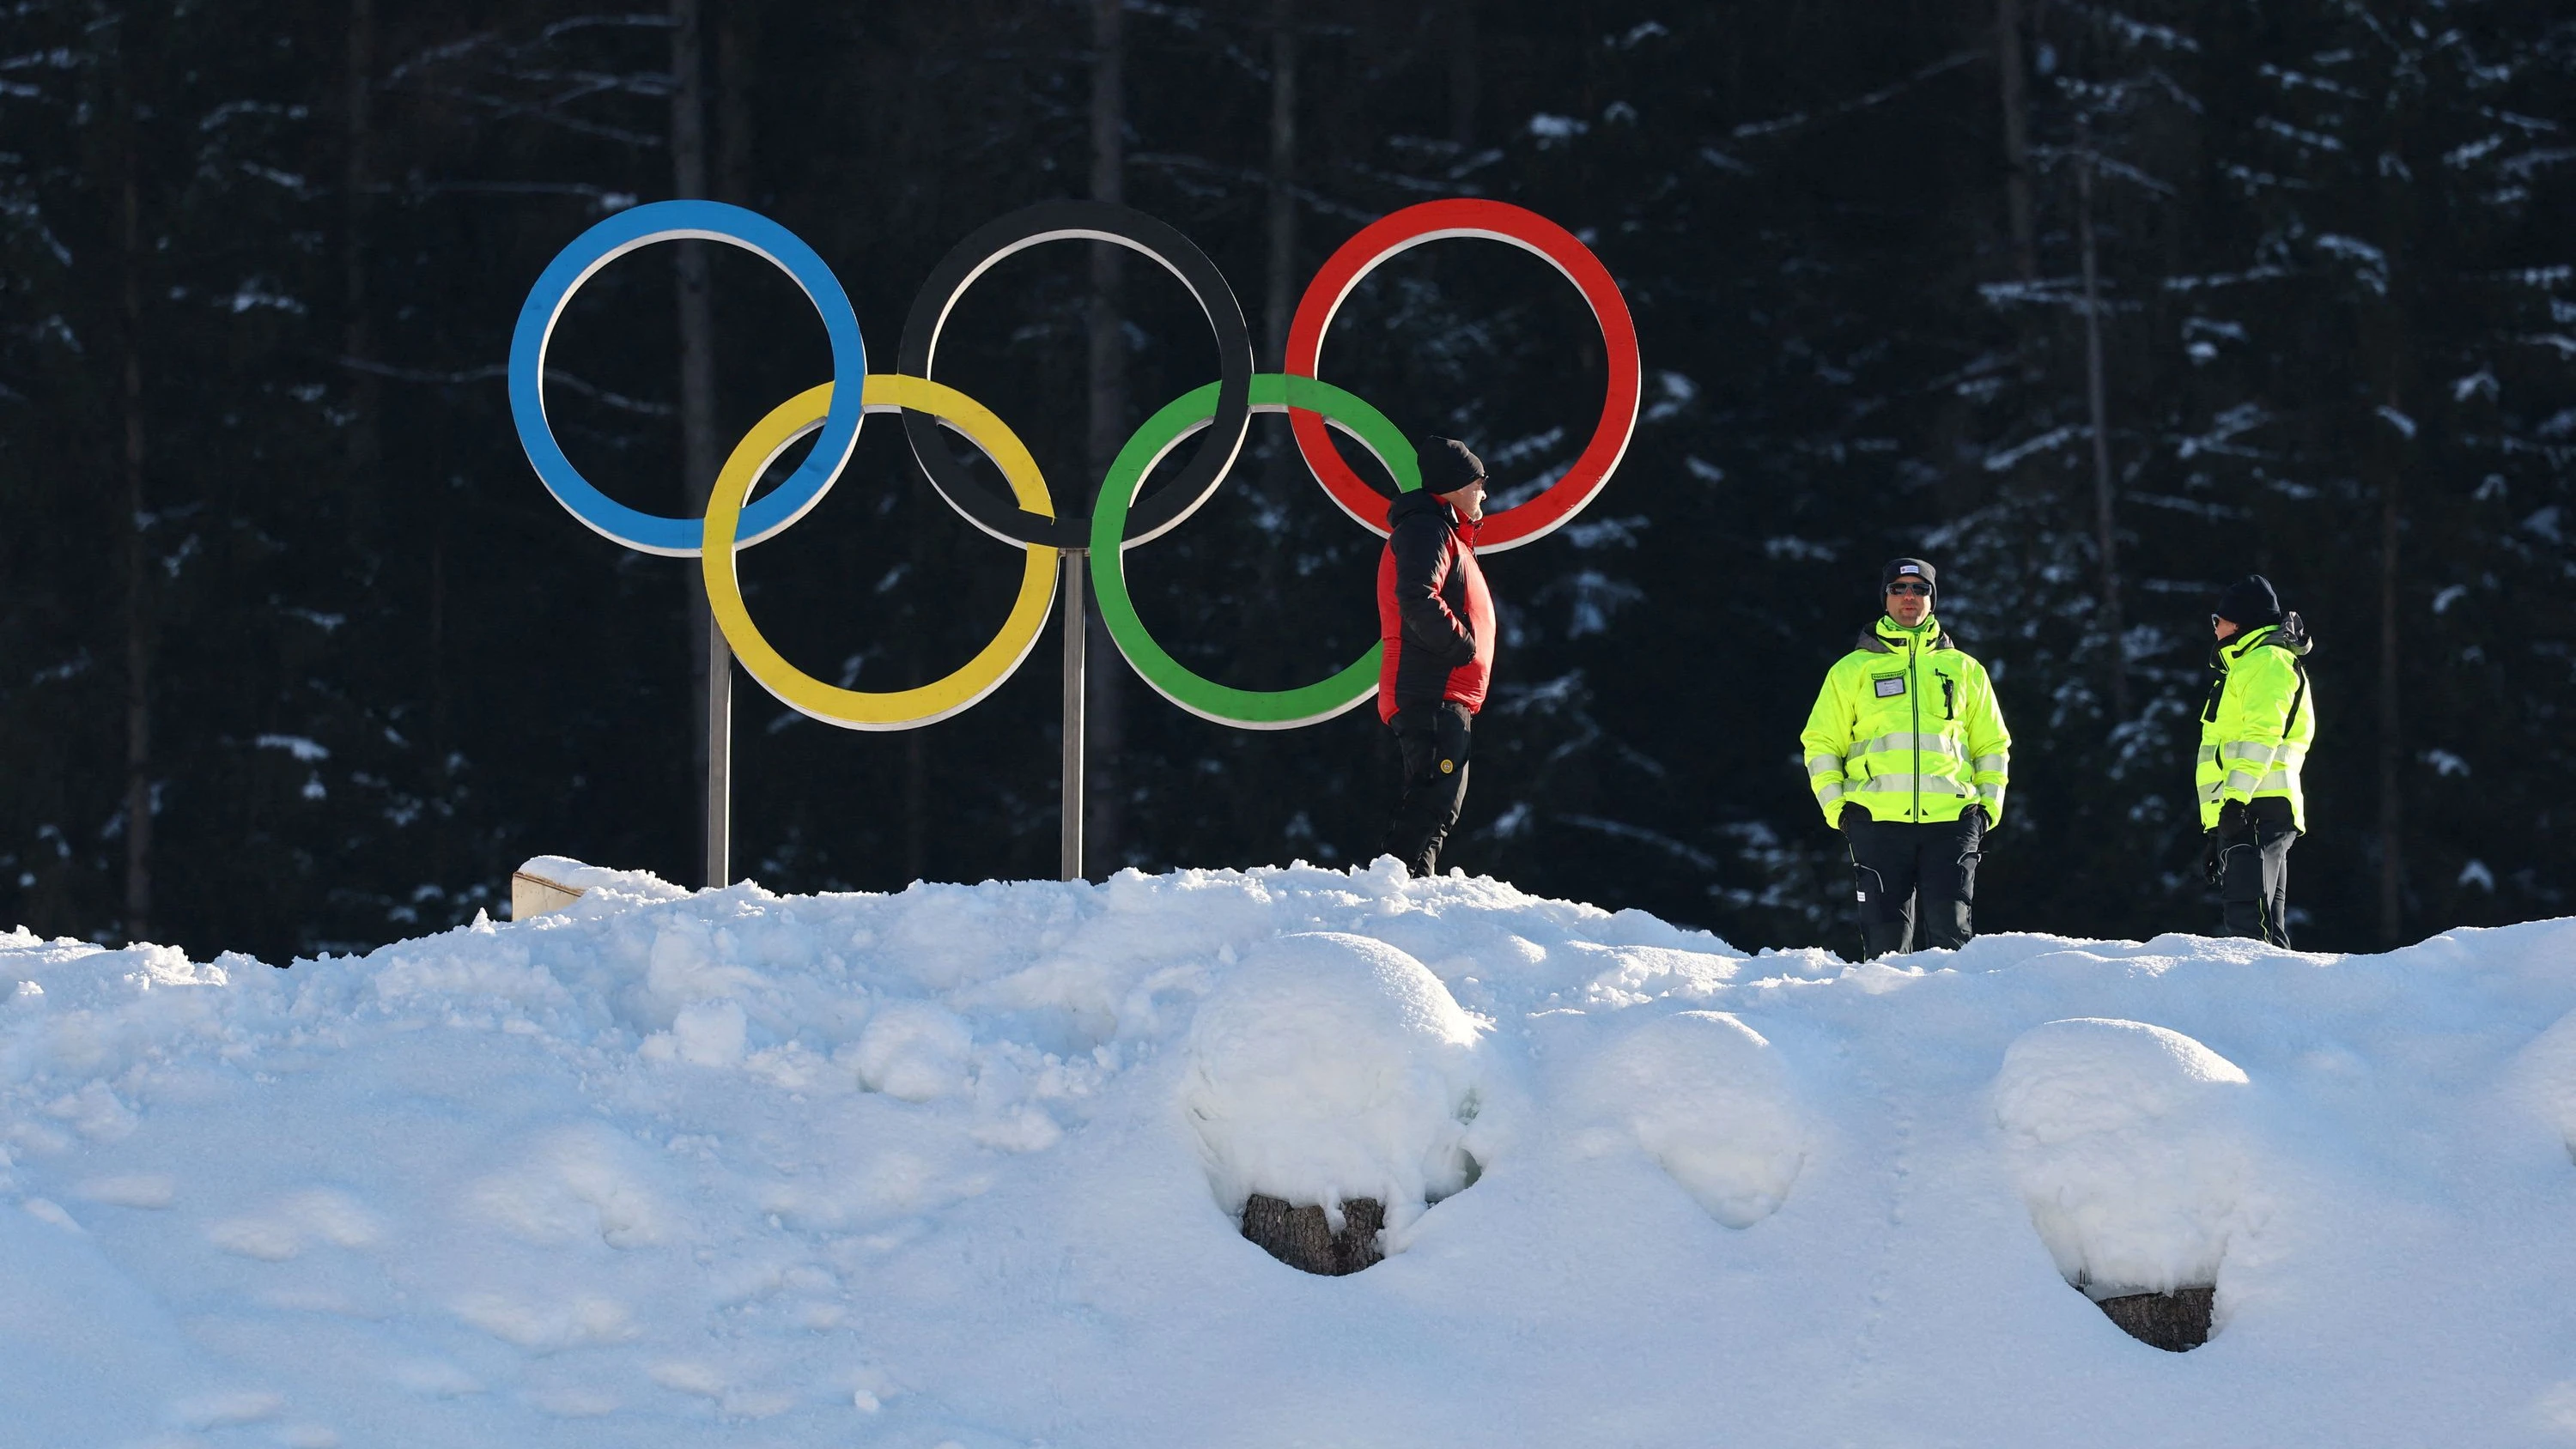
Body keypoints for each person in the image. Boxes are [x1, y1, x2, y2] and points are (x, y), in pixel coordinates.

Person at [1799, 559, 2013, 958]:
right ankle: (1885, 1019)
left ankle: (1956, 1019)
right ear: (1885, 598)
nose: (1909, 597)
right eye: (1898, 589)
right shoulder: (1852, 670)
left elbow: (1992, 745)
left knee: (1953, 944)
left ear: (1933, 599)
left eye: (1919, 589)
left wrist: (1986, 809)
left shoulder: (1965, 669)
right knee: (1885, 950)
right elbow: (1822, 743)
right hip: (1876, 821)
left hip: (1953, 821)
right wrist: (1839, 810)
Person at [1376, 435, 1495, 876]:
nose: (1485, 491)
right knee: (1433, 802)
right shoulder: (1428, 529)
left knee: (1437, 802)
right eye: (1480, 481)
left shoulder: (1442, 532)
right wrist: (1462, 645)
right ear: (1458, 486)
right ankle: (1398, 889)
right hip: (1433, 688)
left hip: (1442, 691)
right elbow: (1416, 594)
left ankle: (1403, 887)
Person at [2196, 574, 2315, 947]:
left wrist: (2235, 800)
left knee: (2251, 924)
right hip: (2247, 808)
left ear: (2240, 622)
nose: (2214, 629)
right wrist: (2215, 824)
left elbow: (2262, 736)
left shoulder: (2266, 663)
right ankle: (2276, 999)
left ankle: (2264, 999)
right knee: (2258, 919)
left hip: (2255, 807)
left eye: (2219, 620)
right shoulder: (2247, 666)